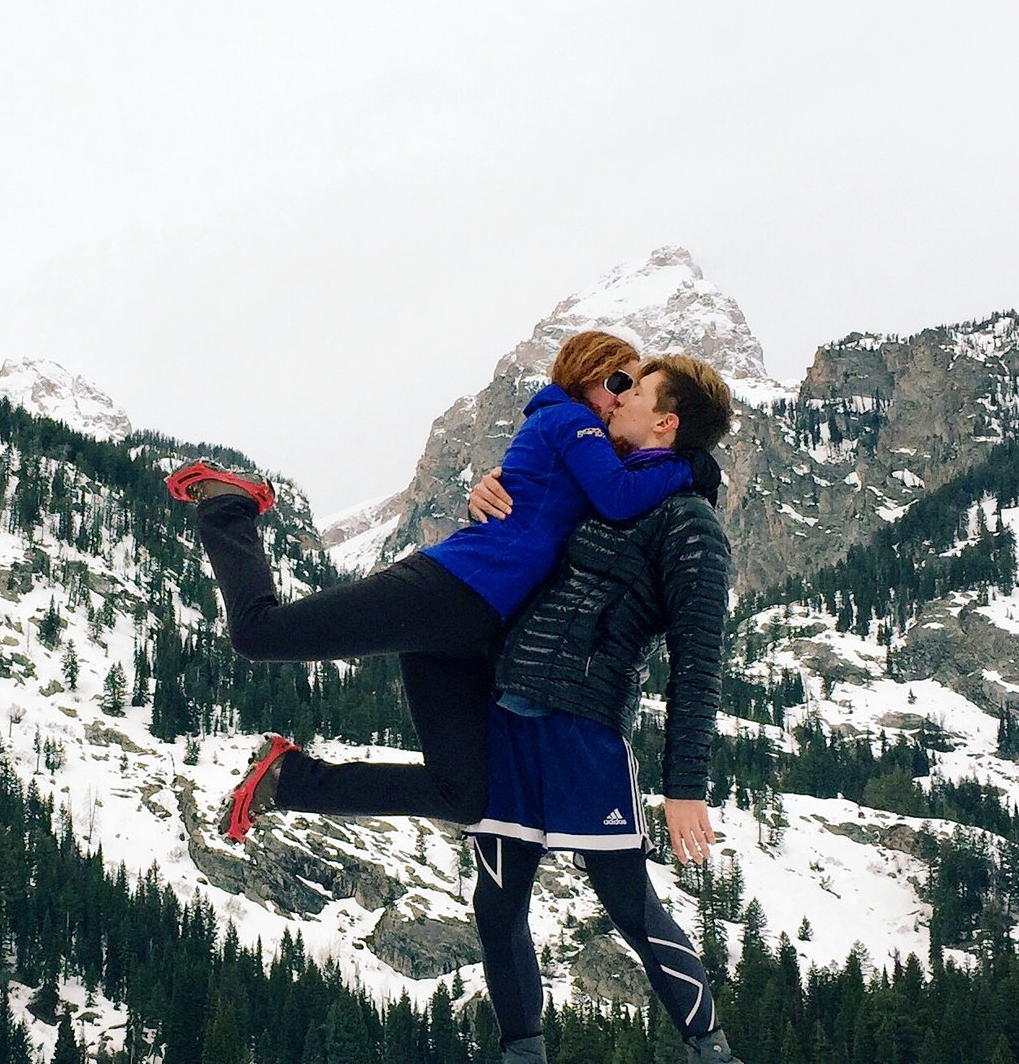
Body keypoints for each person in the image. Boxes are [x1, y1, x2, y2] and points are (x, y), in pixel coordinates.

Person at [165, 330, 707, 840]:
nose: (623, 397)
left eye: (634, 388)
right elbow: (617, 496)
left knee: (463, 795)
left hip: (468, 624)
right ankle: (228, 506)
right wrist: (691, 468)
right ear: (585, 378)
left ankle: (289, 779)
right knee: (258, 634)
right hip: (449, 589)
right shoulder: (573, 422)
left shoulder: (583, 438)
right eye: (618, 382)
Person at [443, 355, 775, 1064]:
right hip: (510, 718)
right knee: (497, 907)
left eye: (635, 391)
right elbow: (526, 544)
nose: (615, 397)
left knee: (633, 912)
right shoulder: (599, 478)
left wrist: (684, 786)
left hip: (584, 731)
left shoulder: (691, 523)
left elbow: (700, 658)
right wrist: (488, 490)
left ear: (666, 423)